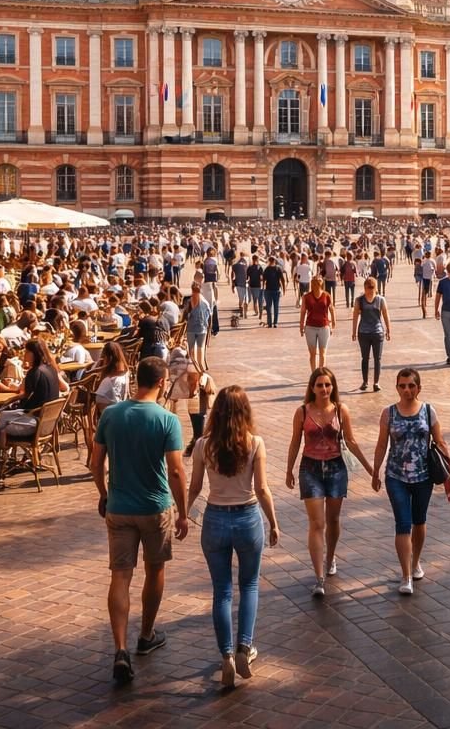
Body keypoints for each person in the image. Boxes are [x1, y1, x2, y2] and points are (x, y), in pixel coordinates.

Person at [92, 356, 188, 684]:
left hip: (119, 506)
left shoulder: (112, 415)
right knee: (154, 570)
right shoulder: (167, 420)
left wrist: (104, 493)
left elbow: (95, 462)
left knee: (120, 576)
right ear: (162, 382)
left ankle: (120, 648)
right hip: (154, 506)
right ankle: (146, 634)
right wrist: (184, 511)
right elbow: (175, 470)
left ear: (137, 380)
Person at [185, 385, 280, 690]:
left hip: (215, 517)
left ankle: (225, 654)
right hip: (247, 516)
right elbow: (263, 488)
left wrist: (184, 513)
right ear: (245, 412)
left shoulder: (203, 445)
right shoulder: (255, 443)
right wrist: (273, 522)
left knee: (222, 591)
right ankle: (244, 647)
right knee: (250, 584)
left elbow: (196, 486)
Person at [284, 368, 376, 598]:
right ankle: (318, 577)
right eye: (319, 385)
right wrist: (289, 470)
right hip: (310, 469)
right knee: (317, 523)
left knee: (333, 520)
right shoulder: (302, 412)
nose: (324, 389)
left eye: (328, 385)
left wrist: (370, 469)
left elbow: (351, 441)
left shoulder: (340, 410)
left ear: (333, 387)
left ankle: (331, 556)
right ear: (312, 388)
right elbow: (295, 441)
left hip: (336, 468)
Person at [371, 368, 450, 596]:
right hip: (396, 476)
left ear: (419, 387)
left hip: (423, 476)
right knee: (403, 523)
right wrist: (375, 470)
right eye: (402, 385)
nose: (407, 390)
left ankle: (415, 561)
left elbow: (440, 442)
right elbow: (381, 445)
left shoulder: (429, 412)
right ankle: (406, 574)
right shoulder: (388, 413)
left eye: (411, 385)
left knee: (419, 521)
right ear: (397, 387)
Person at [352, 277, 391, 392]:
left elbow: (385, 314)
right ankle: (365, 381)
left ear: (375, 289)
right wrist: (354, 331)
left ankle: (376, 382)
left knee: (377, 358)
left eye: (372, 289)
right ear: (364, 288)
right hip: (363, 333)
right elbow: (355, 316)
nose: (370, 291)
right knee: (365, 358)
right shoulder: (359, 300)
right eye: (368, 289)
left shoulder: (381, 300)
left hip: (377, 333)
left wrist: (388, 329)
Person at [298, 275, 335, 372]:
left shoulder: (327, 295)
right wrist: (301, 326)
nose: (316, 284)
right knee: (313, 353)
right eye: (314, 282)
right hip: (310, 327)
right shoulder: (306, 297)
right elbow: (303, 312)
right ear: (312, 284)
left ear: (321, 283)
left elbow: (331, 309)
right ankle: (314, 373)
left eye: (318, 282)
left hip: (324, 326)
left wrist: (333, 322)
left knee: (322, 352)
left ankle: (321, 372)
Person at [186, 285, 212, 373]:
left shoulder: (191, 300)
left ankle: (195, 366)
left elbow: (186, 315)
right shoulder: (205, 302)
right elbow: (209, 315)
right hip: (203, 328)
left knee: (191, 349)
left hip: (192, 328)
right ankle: (201, 366)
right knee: (200, 347)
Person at [261, 256, 286, 329]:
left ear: (269, 261)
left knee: (269, 308)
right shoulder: (278, 269)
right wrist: (284, 289)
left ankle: (269, 323)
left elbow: (263, 280)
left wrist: (263, 289)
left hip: (268, 290)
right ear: (274, 261)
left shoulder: (267, 269)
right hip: (276, 290)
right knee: (276, 307)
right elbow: (282, 280)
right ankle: (275, 323)